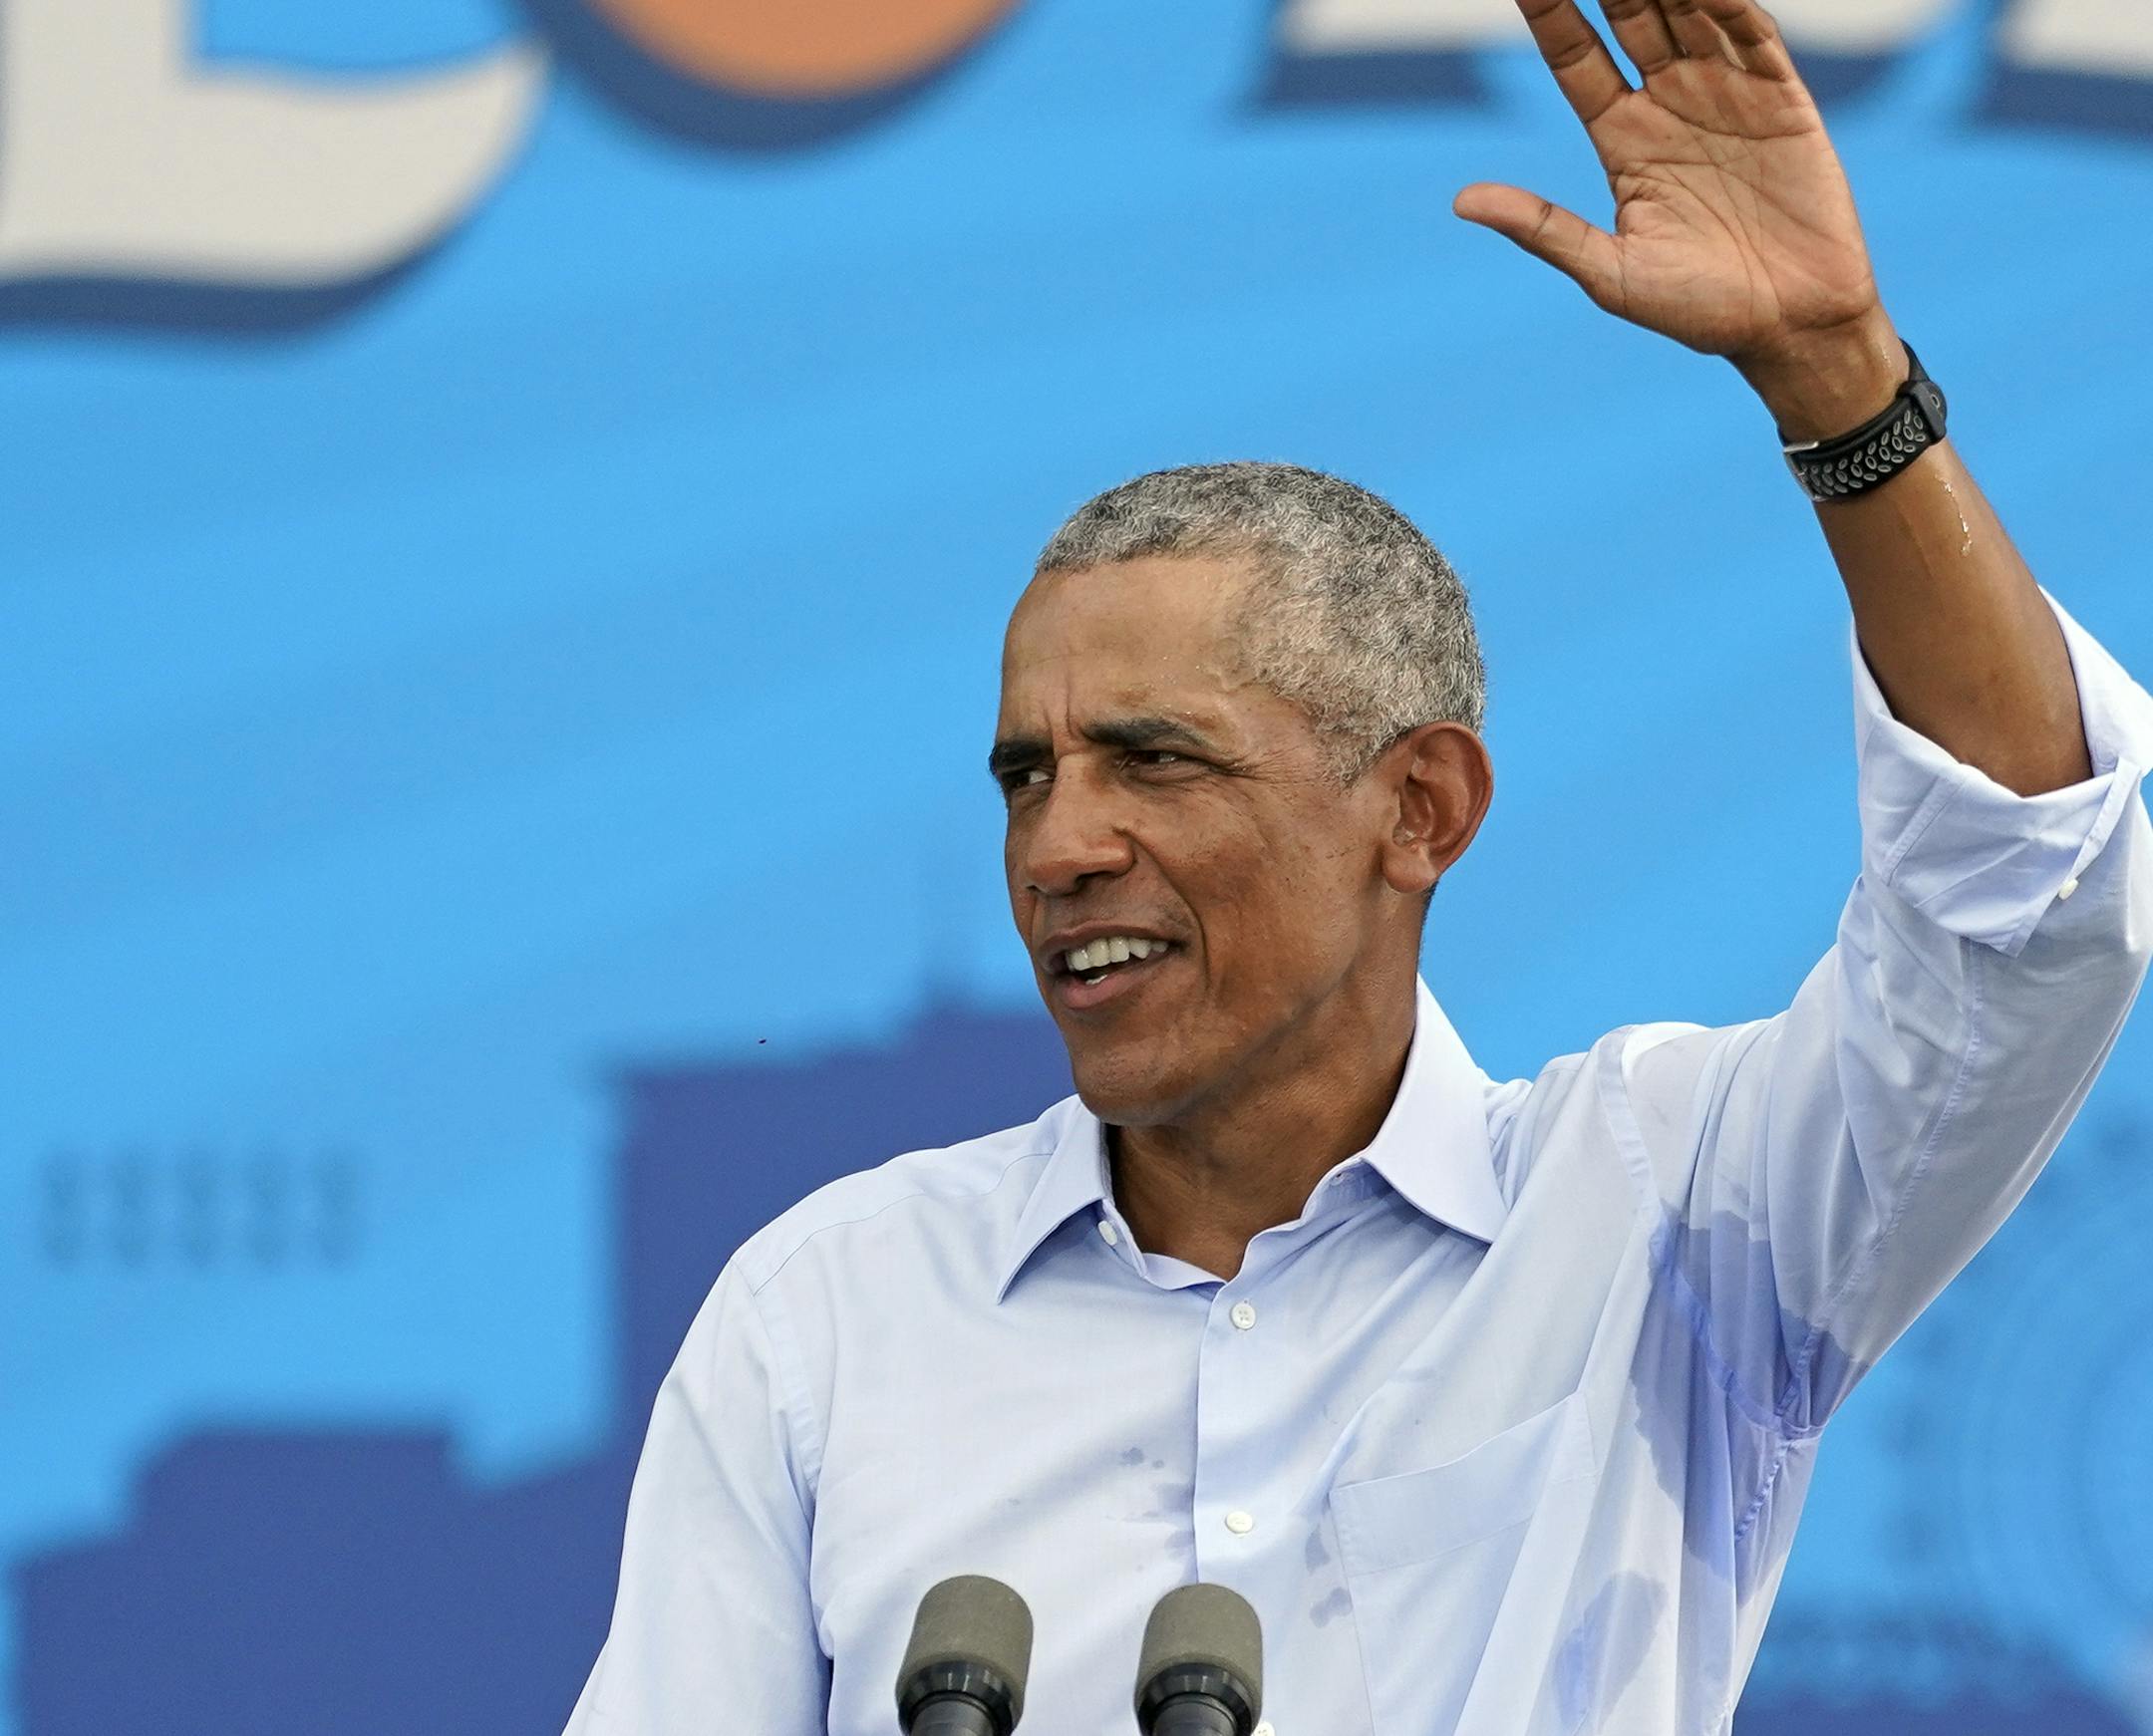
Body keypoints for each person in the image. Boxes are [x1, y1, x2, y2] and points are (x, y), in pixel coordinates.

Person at [564, 0, 2153, 1730]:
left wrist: (1840, 378)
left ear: (1422, 809)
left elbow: (2026, 882)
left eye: (1154, 761)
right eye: (1027, 775)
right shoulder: (834, 1309)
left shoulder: (1671, 1220)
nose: (1061, 846)